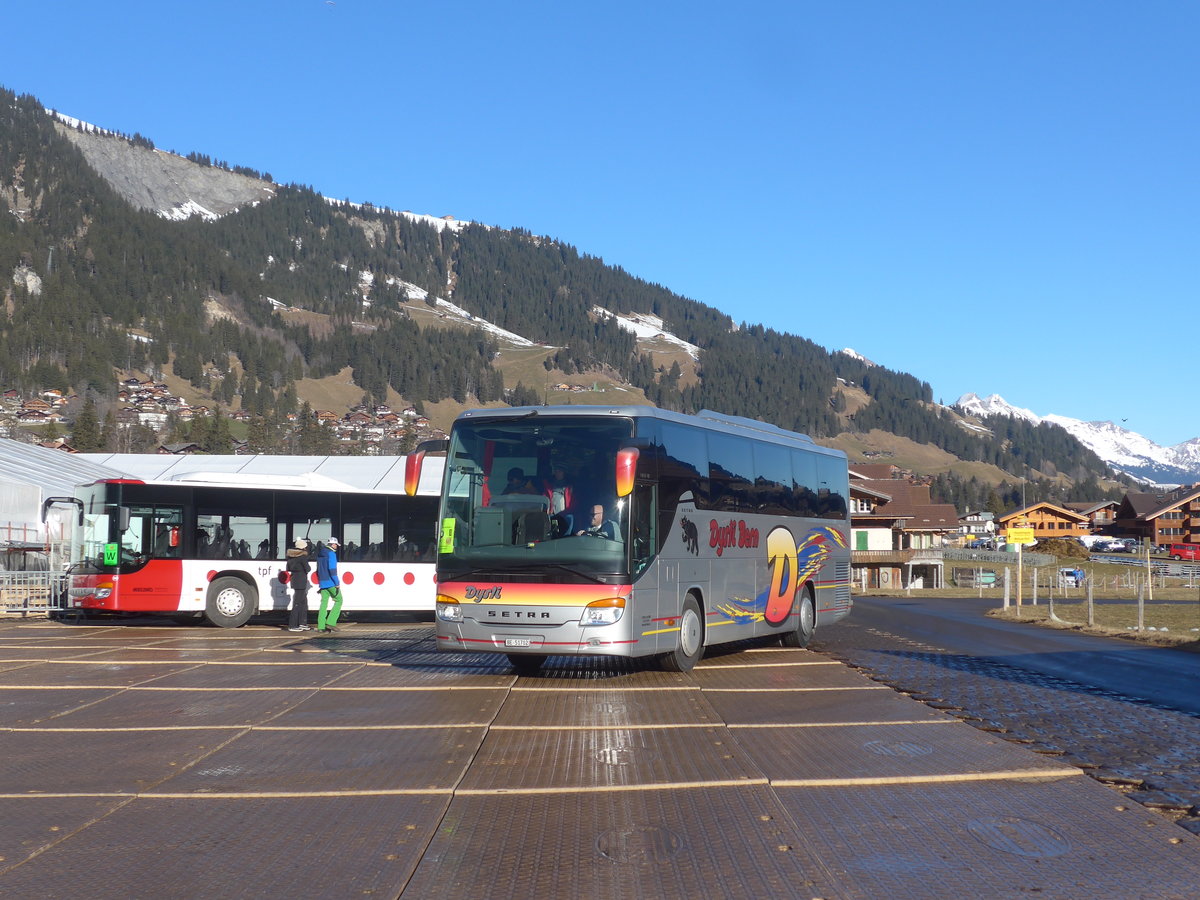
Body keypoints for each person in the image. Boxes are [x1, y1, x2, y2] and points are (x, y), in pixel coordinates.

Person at [316, 537, 344, 633]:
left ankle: (321, 626)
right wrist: (337, 583)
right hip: (331, 582)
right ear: (332, 544)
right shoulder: (331, 554)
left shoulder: (320, 554)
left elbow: (318, 570)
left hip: (323, 583)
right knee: (339, 600)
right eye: (336, 545)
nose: (336, 547)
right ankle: (331, 622)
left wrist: (320, 582)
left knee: (323, 604)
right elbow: (332, 569)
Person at [285, 539, 312, 633]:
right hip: (301, 581)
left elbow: (288, 568)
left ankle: (302, 623)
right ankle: (293, 625)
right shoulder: (302, 557)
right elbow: (308, 569)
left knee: (301, 602)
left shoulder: (291, 557)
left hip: (295, 581)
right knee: (298, 603)